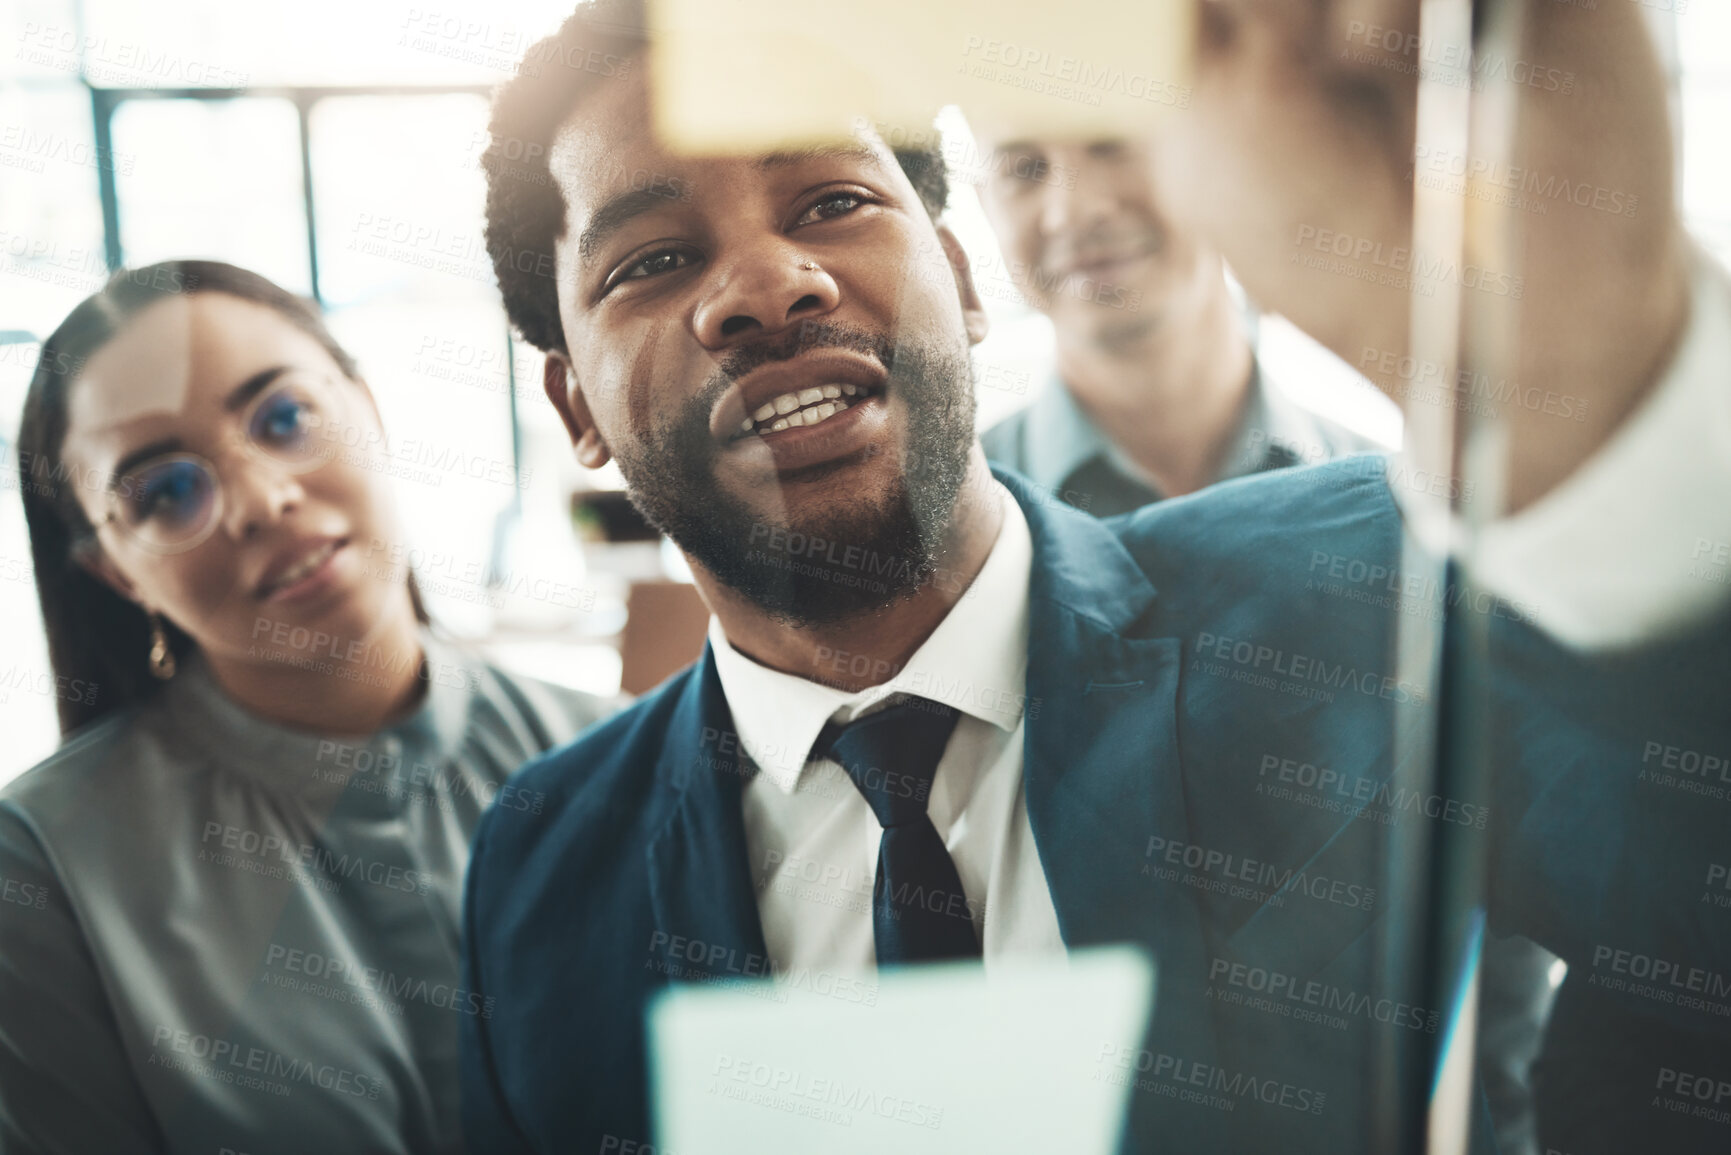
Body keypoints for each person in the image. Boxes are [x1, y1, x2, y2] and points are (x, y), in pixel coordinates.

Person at [460, 3, 1730, 1153]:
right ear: (575, 405)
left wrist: (1606, 413)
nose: (765, 284)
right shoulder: (542, 872)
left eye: (832, 203)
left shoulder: (1377, 595)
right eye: (650, 261)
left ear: (961, 284)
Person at [0, 260, 617, 1155]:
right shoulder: (43, 868)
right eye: (165, 491)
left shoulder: (625, 758)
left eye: (284, 419)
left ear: (368, 409)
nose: (263, 499)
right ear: (113, 570)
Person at [973, 132, 1381, 517]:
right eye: (1023, 169)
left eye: (1113, 145)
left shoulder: (1401, 511)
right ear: (984, 207)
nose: (1071, 211)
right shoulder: (945, 534)